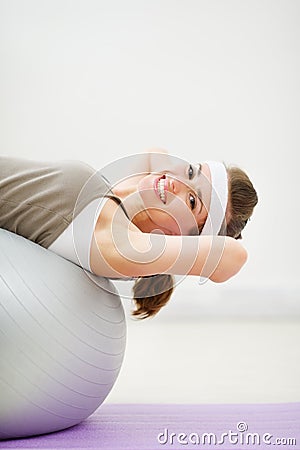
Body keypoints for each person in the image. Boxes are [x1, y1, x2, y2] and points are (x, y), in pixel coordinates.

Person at [0, 149, 258, 319]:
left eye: (191, 201)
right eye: (191, 171)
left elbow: (233, 256)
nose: (175, 181)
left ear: (183, 238)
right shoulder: (127, 196)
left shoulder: (121, 241)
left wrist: (182, 244)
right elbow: (156, 155)